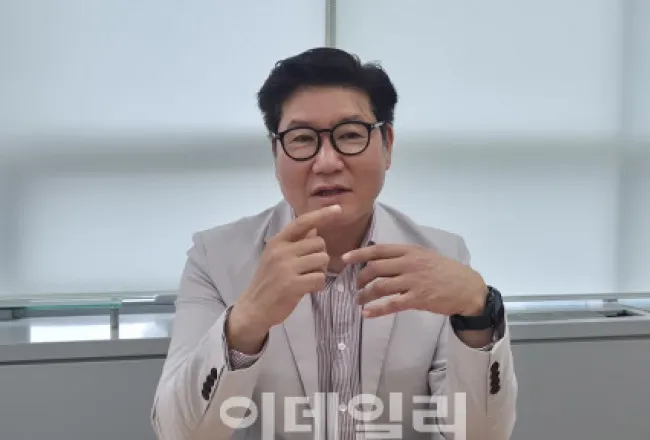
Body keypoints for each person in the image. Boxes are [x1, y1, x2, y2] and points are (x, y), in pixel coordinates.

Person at [151, 47, 517, 440]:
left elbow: (479, 435)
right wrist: (247, 319)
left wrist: (477, 315)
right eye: (301, 139)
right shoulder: (216, 259)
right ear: (276, 153)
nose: (327, 162)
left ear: (387, 144)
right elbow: (180, 433)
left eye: (350, 135)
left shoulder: (441, 256)